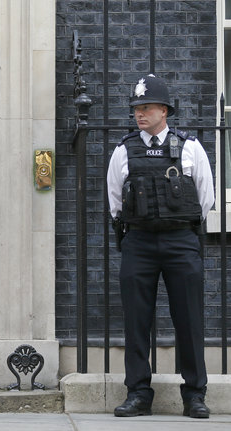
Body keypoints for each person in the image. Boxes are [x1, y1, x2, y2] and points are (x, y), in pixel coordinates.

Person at [107, 74, 215, 419]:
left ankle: (195, 394)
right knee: (136, 321)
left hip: (181, 240)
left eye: (147, 107)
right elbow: (114, 201)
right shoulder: (124, 150)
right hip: (138, 241)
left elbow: (205, 198)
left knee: (189, 319)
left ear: (164, 110)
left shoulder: (190, 147)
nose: (140, 113)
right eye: (136, 108)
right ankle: (138, 393)